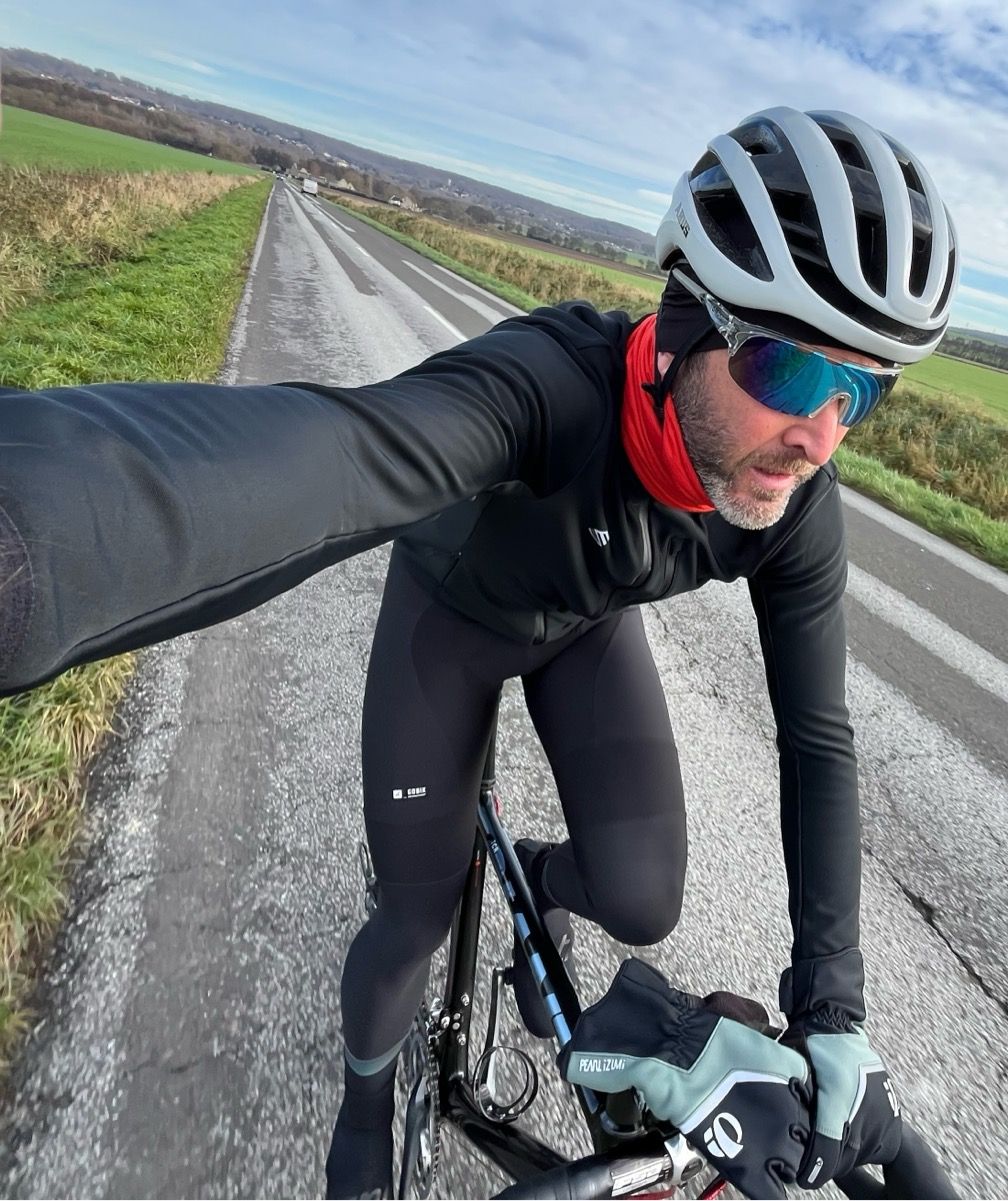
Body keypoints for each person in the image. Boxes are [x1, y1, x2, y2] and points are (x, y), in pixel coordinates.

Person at [0, 105, 958, 1198]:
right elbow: (340, 454)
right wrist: (29, 547)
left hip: (583, 629)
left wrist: (831, 1005)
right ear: (686, 324)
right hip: (451, 622)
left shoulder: (796, 507)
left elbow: (817, 737)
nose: (819, 436)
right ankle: (364, 1103)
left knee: (643, 900)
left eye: (863, 391)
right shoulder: (552, 386)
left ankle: (535, 875)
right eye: (790, 374)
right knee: (411, 916)